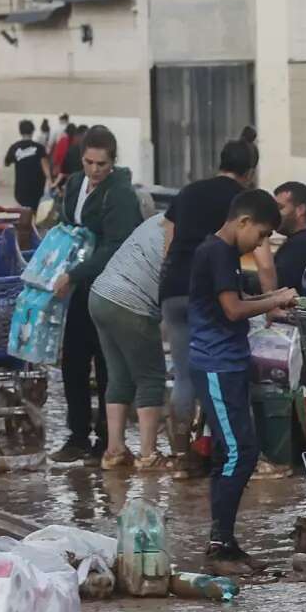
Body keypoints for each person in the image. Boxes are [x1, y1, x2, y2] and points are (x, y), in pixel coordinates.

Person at [189, 189, 296, 577]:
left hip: (229, 362)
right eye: (262, 235)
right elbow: (233, 309)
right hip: (216, 364)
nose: (262, 244)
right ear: (243, 222)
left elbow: (234, 299)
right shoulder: (216, 252)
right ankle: (221, 546)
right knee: (241, 453)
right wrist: (273, 300)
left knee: (231, 452)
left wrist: (269, 298)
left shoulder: (225, 254)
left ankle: (226, 543)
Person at [159, 139, 257, 469]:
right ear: (250, 172)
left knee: (184, 375)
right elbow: (265, 260)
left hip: (172, 289)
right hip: (210, 292)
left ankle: (180, 456)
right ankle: (222, 450)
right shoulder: (240, 201)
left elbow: (168, 237)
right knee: (218, 371)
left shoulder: (188, 192)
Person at [50, 126, 142, 464]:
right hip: (76, 288)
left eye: (101, 164)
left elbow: (116, 245)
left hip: (107, 288)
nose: (94, 170)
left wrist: (75, 273)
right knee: (72, 360)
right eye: (89, 162)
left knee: (107, 364)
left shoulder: (120, 194)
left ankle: (107, 437)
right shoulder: (75, 184)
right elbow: (64, 226)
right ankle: (77, 434)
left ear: (112, 162)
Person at [88, 214, 170, 471]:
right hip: (132, 304)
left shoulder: (158, 220)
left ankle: (114, 450)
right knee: (151, 376)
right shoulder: (191, 230)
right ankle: (148, 454)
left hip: (100, 295)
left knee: (119, 375)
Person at [265, 181, 306, 298]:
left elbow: (277, 285)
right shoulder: (304, 240)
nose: (275, 214)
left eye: (280, 208)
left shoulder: (301, 245)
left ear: (300, 210)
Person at [4, 119, 49, 211]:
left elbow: (7, 163)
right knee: (35, 211)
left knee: (24, 212)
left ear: (20, 131)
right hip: (37, 187)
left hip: (21, 188)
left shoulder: (14, 147)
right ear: (32, 131)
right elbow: (45, 167)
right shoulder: (39, 147)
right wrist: (50, 181)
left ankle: (25, 224)